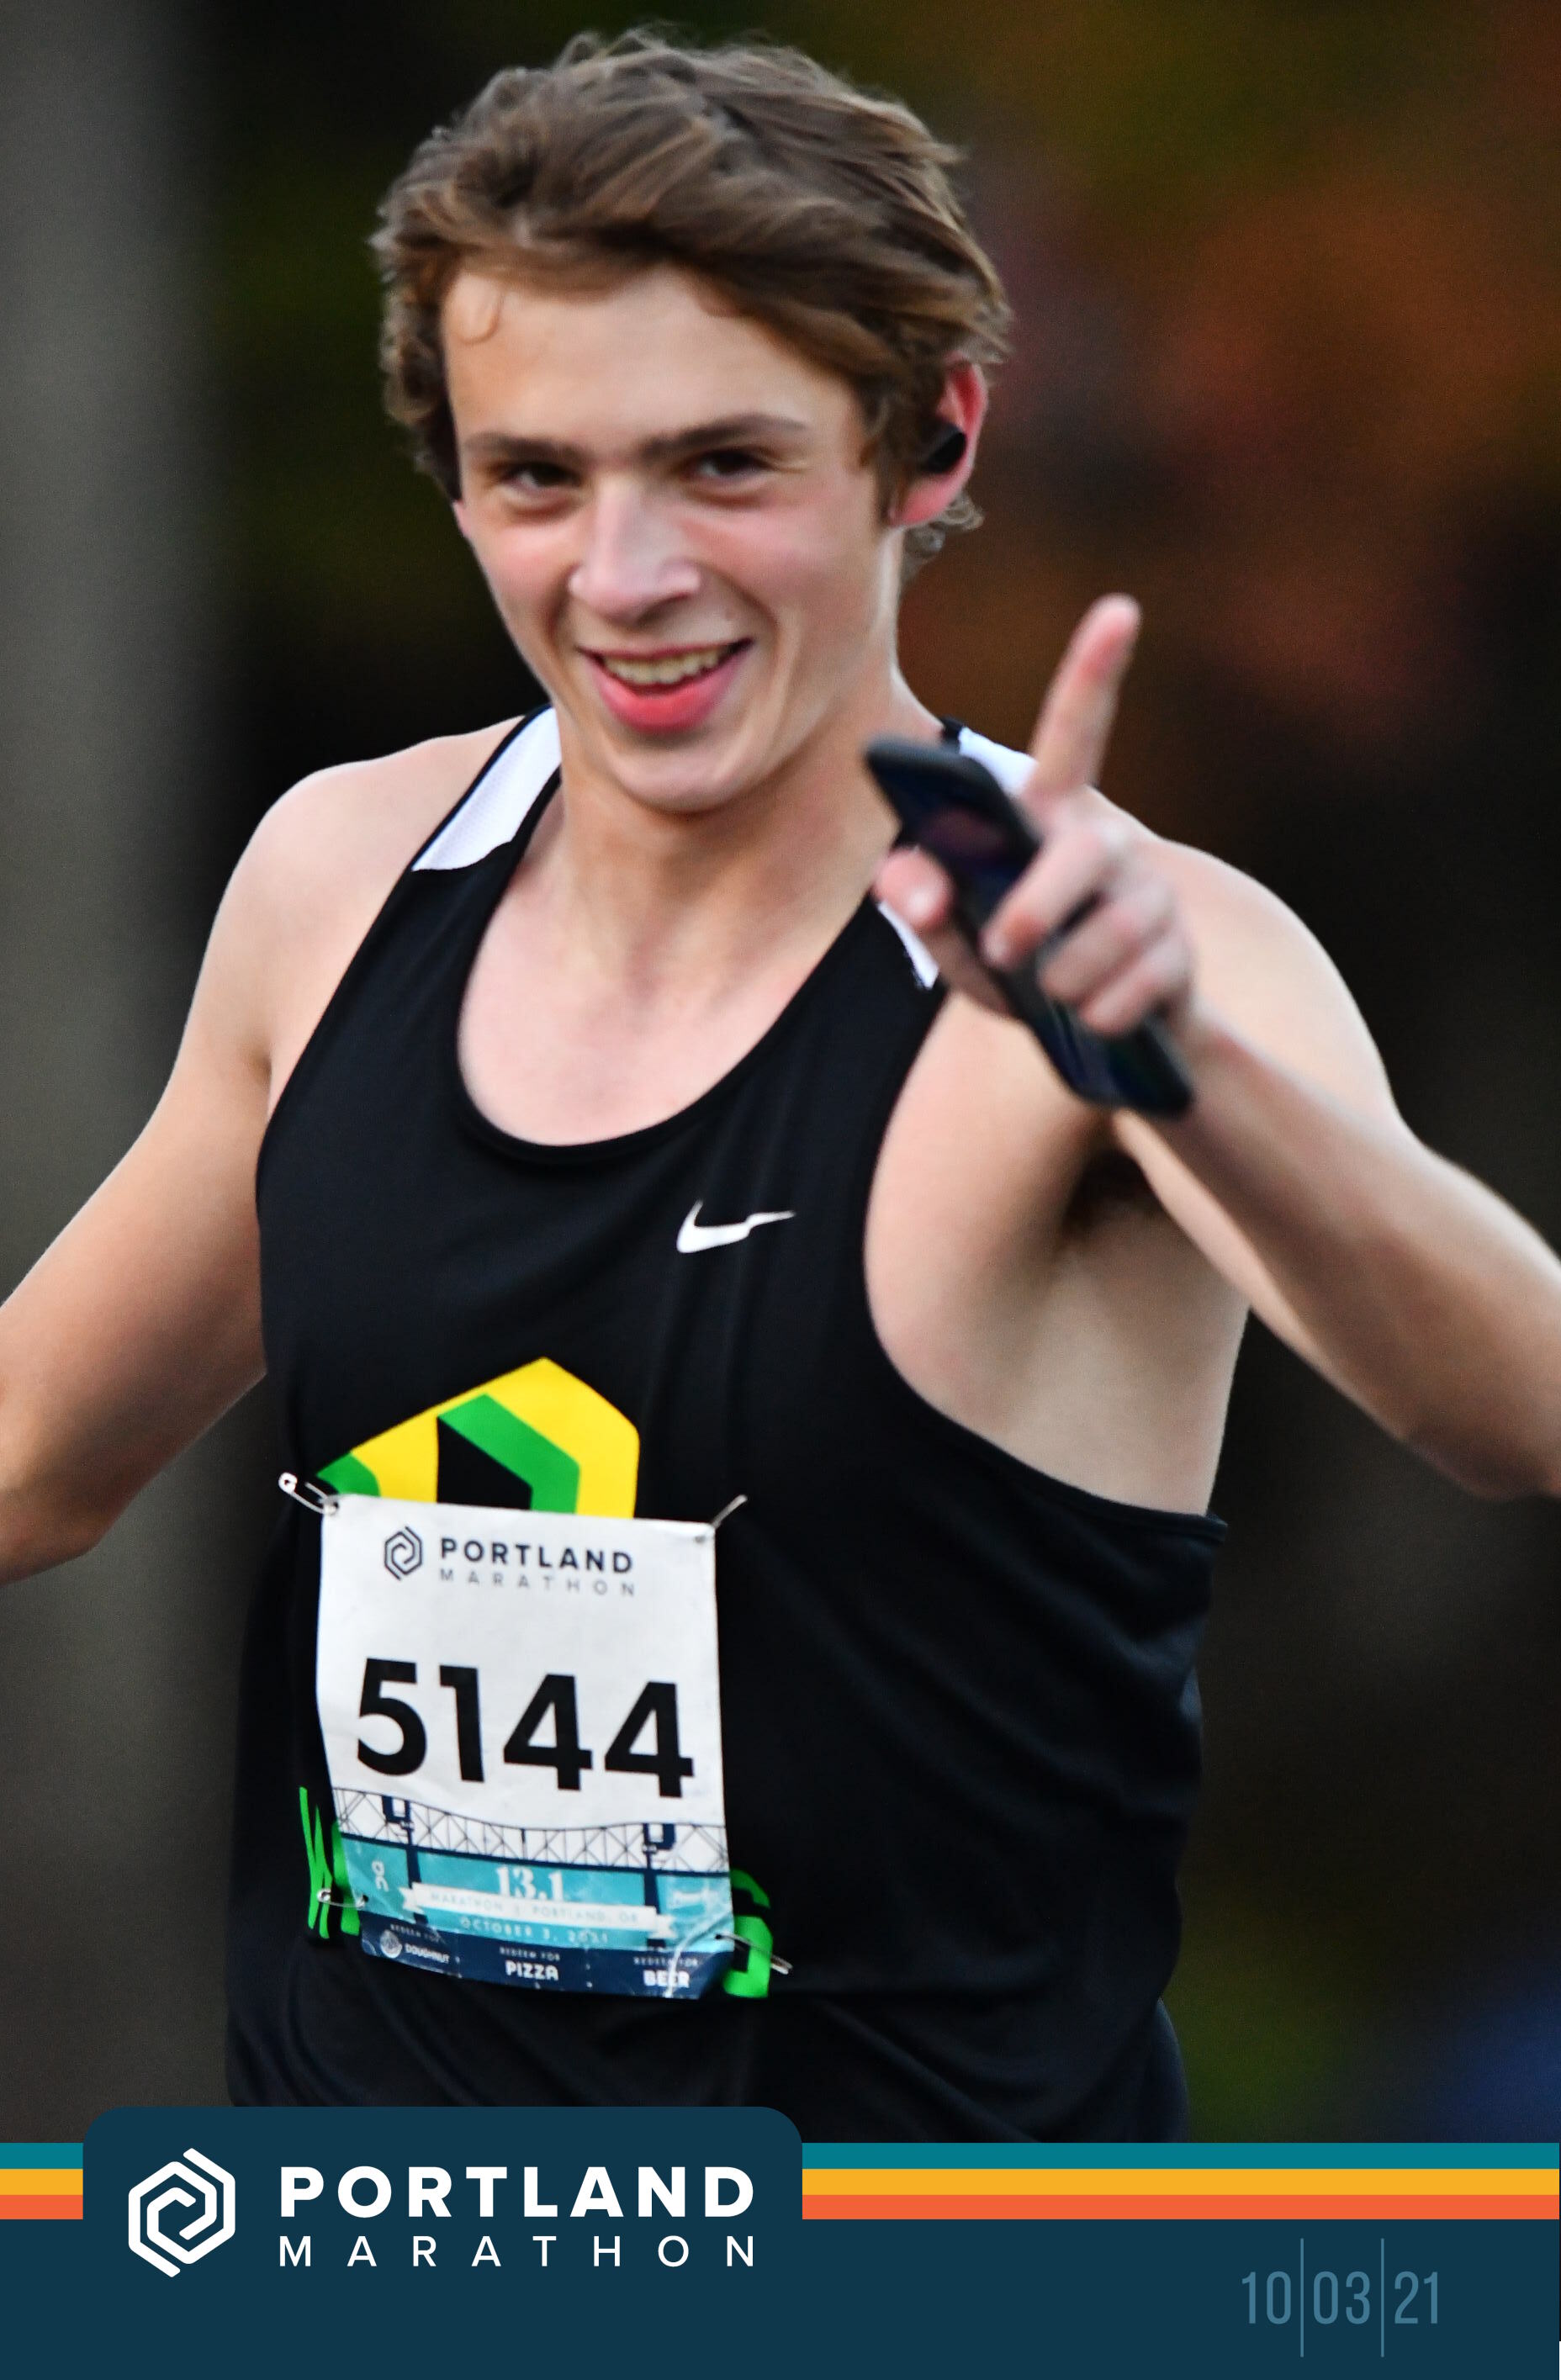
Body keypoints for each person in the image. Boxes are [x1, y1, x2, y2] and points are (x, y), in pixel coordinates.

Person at [2, 29, 1558, 2139]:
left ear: (928, 444)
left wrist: (1183, 1066)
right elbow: (36, 1454)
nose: (626, 576)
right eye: (536, 478)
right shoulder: (344, 883)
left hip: (918, 2271)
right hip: (376, 2256)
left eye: (723, 466)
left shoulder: (1126, 949)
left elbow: (1513, 1403)